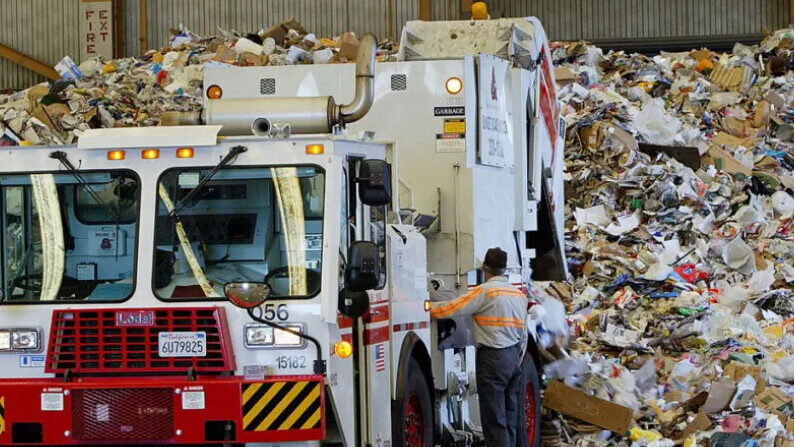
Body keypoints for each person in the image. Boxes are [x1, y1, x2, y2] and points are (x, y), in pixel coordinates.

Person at [429, 247, 529, 447]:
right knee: (510, 418)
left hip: (492, 359)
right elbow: (523, 335)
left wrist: (425, 307)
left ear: (485, 268)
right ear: (504, 268)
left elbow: (454, 308)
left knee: (494, 420)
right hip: (513, 358)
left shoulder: (485, 292)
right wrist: (516, 358)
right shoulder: (519, 295)